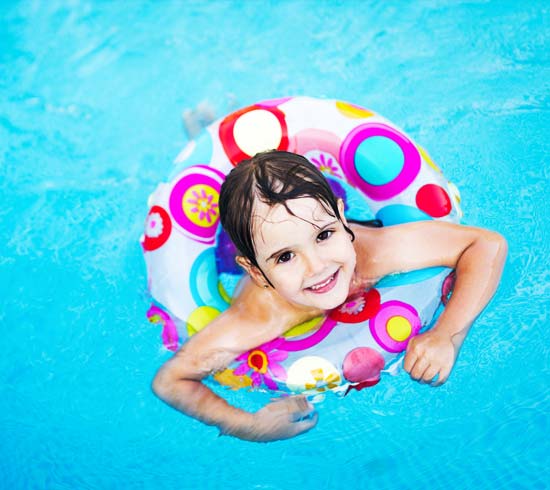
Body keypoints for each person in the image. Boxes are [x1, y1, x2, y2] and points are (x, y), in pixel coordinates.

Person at [151, 150, 507, 443]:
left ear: (341, 217)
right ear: (258, 273)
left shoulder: (376, 252)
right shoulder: (260, 316)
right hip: (232, 257)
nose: (318, 266)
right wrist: (246, 425)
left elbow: (486, 244)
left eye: (324, 235)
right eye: (286, 257)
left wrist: (447, 334)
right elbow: (171, 381)